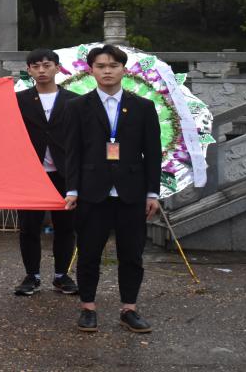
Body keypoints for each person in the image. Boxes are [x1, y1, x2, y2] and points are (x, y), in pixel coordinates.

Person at [62, 44, 161, 334]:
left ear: (124, 70)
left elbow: (152, 153)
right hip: (92, 192)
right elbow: (72, 152)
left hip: (132, 192)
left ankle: (129, 308)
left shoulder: (143, 107)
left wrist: (152, 193)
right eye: (101, 66)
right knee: (89, 252)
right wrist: (72, 190)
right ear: (91, 70)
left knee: (131, 254)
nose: (107, 71)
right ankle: (88, 308)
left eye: (113, 66)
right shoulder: (77, 106)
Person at [12, 49, 79, 296]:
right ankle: (32, 275)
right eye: (36, 66)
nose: (41, 70)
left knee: (66, 226)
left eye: (47, 65)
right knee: (29, 227)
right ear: (28, 70)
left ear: (57, 68)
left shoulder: (74, 100)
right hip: (30, 172)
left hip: (64, 171)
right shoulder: (18, 100)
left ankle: (62, 275)